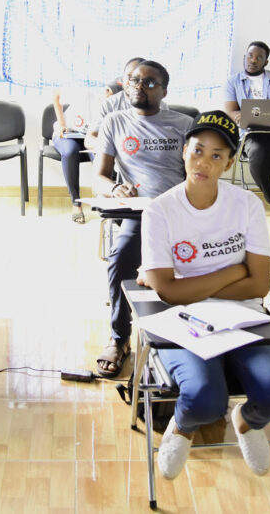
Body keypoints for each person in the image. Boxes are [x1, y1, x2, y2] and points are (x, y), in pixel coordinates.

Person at [140, 110, 270, 479]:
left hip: (242, 313)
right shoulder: (159, 211)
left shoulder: (246, 205)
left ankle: (247, 421)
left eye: (216, 156)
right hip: (184, 320)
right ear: (183, 151)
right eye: (197, 150)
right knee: (204, 399)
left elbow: (258, 286)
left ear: (229, 163)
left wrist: (190, 287)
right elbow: (166, 290)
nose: (204, 163)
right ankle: (181, 427)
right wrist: (232, 270)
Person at [93, 60, 193, 377]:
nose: (140, 86)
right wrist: (114, 189)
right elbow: (99, 178)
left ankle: (196, 333)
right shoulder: (114, 122)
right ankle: (119, 337)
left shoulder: (185, 123)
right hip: (141, 212)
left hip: (182, 211)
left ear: (164, 91)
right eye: (135, 80)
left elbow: (198, 174)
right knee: (121, 258)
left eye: (150, 83)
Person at [222, 40, 270, 211]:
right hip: (251, 135)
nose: (253, 60)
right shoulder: (233, 82)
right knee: (260, 155)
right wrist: (240, 115)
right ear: (245, 57)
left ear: (265, 62)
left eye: (258, 57)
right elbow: (230, 111)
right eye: (250, 56)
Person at [51, 87, 101, 223]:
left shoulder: (115, 101)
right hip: (69, 134)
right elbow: (56, 95)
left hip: (92, 136)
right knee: (69, 152)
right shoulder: (83, 91)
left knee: (101, 155)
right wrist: (62, 124)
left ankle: (103, 198)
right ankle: (76, 203)